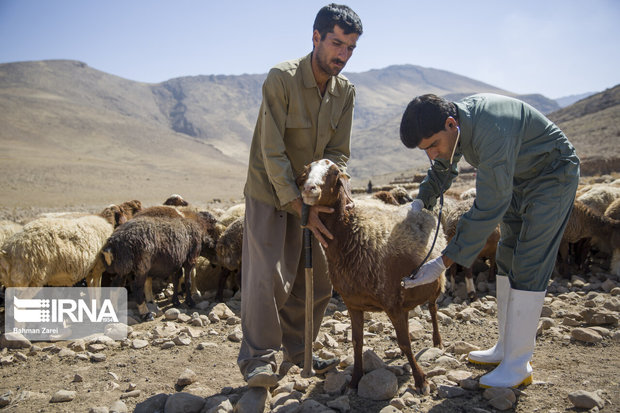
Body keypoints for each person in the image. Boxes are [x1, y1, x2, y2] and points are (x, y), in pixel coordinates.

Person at [400, 93, 579, 388]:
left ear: (450, 123)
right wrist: (421, 202)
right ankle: (505, 349)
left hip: (551, 175)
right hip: (517, 179)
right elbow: (443, 168)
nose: (432, 154)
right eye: (425, 150)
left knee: (529, 260)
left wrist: (443, 262)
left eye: (433, 146)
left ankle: (518, 364)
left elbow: (489, 204)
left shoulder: (490, 129)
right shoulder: (456, 129)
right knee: (507, 255)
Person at [238, 4, 363, 389]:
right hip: (270, 193)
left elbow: (339, 152)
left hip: (315, 195)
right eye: (337, 44)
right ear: (316, 38)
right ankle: (257, 360)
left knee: (321, 280)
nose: (342, 55)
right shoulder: (281, 79)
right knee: (269, 278)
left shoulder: (345, 92)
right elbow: (270, 151)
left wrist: (324, 188)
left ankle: (299, 349)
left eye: (350, 48)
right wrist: (297, 203)